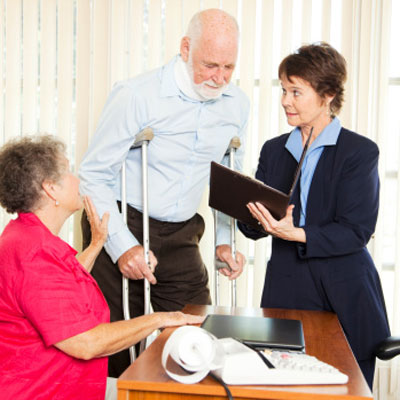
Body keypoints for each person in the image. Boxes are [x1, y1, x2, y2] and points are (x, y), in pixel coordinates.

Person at [79, 8, 249, 377]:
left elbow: (228, 178)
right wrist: (122, 245)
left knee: (196, 337)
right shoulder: (137, 95)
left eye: (229, 67)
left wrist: (224, 240)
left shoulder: (236, 104)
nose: (219, 78)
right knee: (117, 345)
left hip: (183, 230)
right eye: (210, 65)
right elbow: (93, 174)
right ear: (186, 48)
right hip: (123, 220)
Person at [0, 135, 204, 400]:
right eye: (70, 172)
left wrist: (97, 244)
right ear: (51, 188)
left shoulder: (26, 236)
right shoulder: (34, 253)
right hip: (43, 391)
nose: (78, 179)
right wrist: (162, 318)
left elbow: (58, 289)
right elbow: (86, 343)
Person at [238, 42, 390, 389]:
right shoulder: (275, 150)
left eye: (296, 91)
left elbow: (356, 231)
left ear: (328, 95)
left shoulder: (359, 152)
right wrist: (245, 208)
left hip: (344, 291)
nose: (285, 100)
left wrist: (299, 234)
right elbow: (256, 228)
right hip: (287, 289)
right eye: (283, 89)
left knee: (347, 391)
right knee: (283, 388)